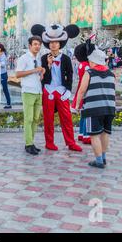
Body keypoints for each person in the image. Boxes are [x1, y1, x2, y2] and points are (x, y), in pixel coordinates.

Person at [31, 23, 82, 152]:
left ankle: (71, 143)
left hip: (61, 90)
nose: (54, 44)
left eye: (57, 42)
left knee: (67, 118)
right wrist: (48, 65)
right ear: (48, 44)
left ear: (60, 44)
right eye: (52, 42)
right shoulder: (43, 58)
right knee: (48, 119)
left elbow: (70, 75)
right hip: (48, 90)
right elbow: (41, 75)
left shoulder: (65, 58)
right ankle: (49, 143)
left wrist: (69, 90)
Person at [75, 49, 116, 169]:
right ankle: (103, 157)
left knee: (94, 135)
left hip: (93, 108)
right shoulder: (111, 73)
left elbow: (82, 90)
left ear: (93, 61)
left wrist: (77, 105)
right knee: (105, 133)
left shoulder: (89, 73)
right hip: (109, 108)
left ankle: (98, 161)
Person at [15, 36, 45, 156]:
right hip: (28, 91)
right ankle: (28, 144)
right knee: (29, 119)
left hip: (38, 91)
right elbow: (18, 74)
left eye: (39, 44)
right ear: (30, 46)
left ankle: (31, 142)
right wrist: (34, 70)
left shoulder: (38, 58)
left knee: (36, 119)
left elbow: (38, 74)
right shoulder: (24, 58)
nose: (37, 46)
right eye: (35, 44)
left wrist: (41, 73)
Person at [71, 41, 91, 145]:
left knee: (84, 114)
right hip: (86, 90)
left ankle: (81, 134)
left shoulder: (81, 64)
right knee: (87, 114)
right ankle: (87, 135)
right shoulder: (87, 65)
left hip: (81, 87)